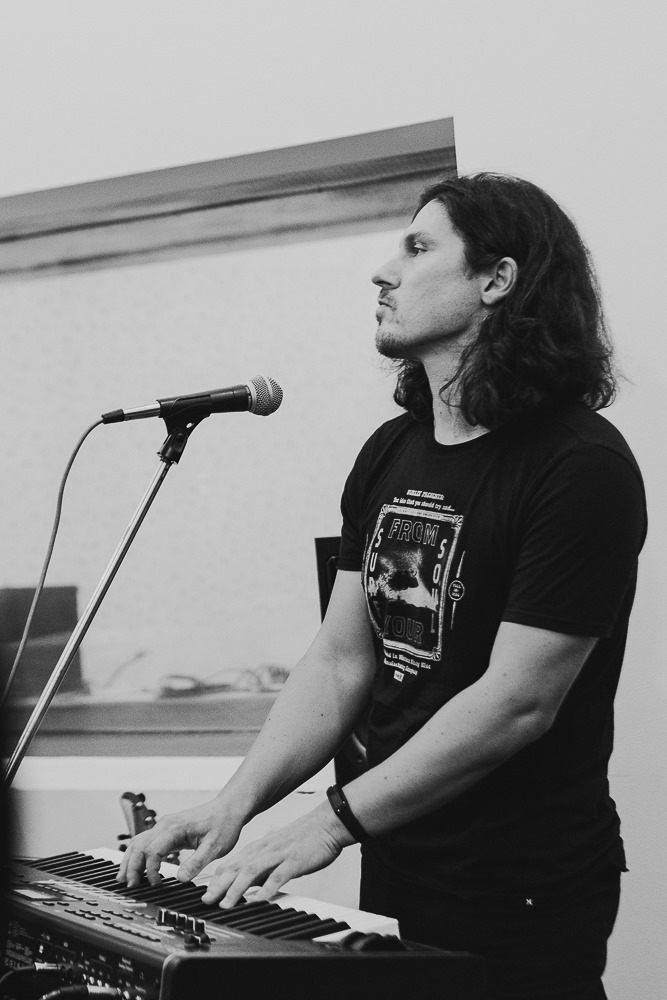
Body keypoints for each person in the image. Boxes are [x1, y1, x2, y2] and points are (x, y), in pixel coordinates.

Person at [118, 173, 647, 999]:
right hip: (400, 854)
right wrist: (235, 804)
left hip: (521, 883)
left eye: (417, 247)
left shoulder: (580, 466)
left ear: (496, 280)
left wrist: (328, 823)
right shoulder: (390, 451)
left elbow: (516, 702)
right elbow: (339, 660)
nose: (383, 271)